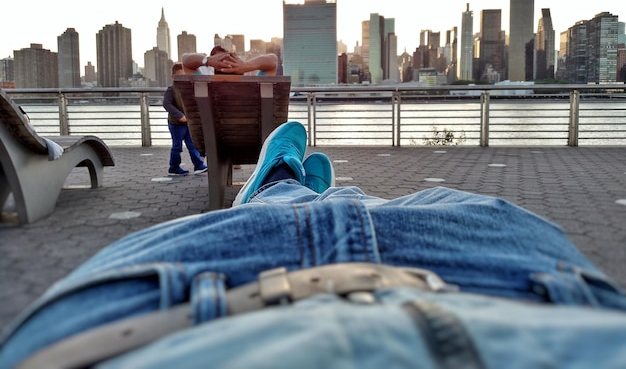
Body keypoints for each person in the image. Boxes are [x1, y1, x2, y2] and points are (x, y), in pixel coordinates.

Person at [2, 121, 626, 368]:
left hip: (171, 309)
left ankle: (275, 189)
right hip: (534, 288)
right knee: (456, 207)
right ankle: (286, 191)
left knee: (304, 210)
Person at [162, 62, 208, 176]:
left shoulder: (188, 89)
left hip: (188, 123)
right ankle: (174, 168)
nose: (182, 79)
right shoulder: (171, 90)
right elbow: (166, 104)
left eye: (184, 76)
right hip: (176, 124)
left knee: (193, 145)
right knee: (177, 147)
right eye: (179, 76)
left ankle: (198, 165)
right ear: (172, 77)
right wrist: (179, 115)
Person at [182, 46, 278, 76]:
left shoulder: (202, 88)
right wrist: (246, 65)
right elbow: (273, 61)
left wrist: (208, 60)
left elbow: (185, 60)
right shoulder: (256, 88)